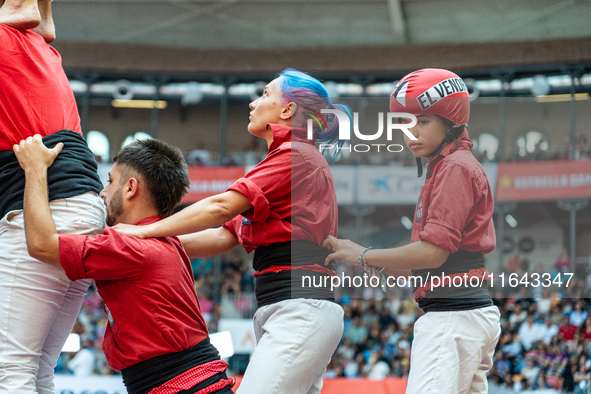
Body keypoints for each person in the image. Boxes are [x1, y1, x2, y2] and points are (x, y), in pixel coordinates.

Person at [113, 68, 352, 394]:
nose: (254, 103)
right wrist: (153, 245)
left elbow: (220, 207)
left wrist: (143, 233)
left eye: (266, 94)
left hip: (300, 309)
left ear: (287, 110)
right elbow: (224, 235)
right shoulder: (290, 157)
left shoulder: (295, 155)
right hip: (294, 308)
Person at [323, 68, 500, 394]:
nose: (410, 133)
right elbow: (420, 264)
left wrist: (362, 254)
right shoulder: (447, 166)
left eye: (422, 121)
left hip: (453, 318)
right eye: (405, 122)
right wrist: (357, 255)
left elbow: (433, 254)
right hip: (464, 315)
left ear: (451, 122)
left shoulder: (455, 167)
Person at [13, 136, 235, 394]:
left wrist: (35, 169)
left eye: (109, 181)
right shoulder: (166, 241)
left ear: (131, 188)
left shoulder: (130, 246)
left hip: (181, 386)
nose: (103, 192)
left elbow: (41, 245)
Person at [0, 2, 107, 392]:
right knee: (37, 368)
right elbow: (41, 22)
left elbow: (32, 14)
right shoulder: (44, 52)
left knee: (10, 370)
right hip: (84, 210)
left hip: (50, 206)